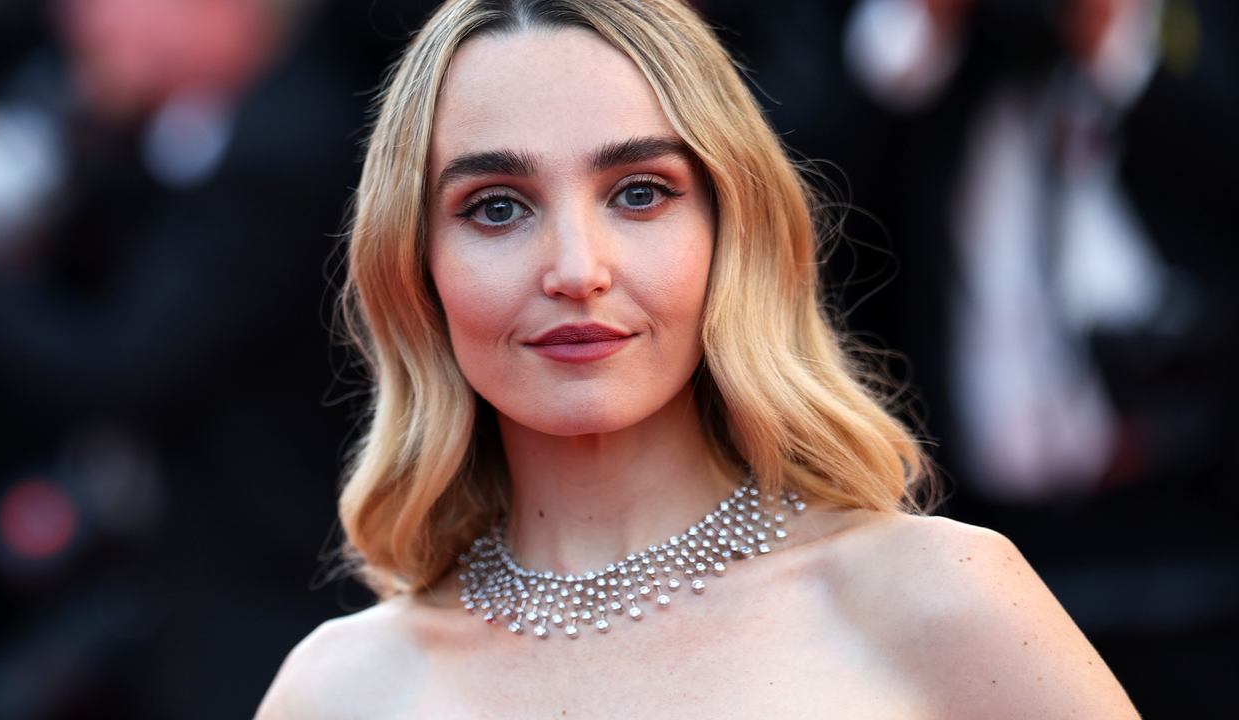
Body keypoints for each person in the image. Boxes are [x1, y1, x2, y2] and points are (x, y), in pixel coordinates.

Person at [256, 0, 1140, 717]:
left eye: (640, 194)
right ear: (415, 267)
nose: (576, 270)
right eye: (495, 208)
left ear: (731, 233)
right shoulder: (341, 689)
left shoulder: (937, 599)